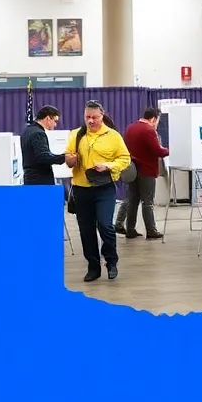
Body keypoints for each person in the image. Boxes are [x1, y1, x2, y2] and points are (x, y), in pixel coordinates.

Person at [64, 100, 131, 283]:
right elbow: (68, 159)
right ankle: (93, 266)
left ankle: (111, 261)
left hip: (104, 188)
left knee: (105, 225)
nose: (91, 121)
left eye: (94, 117)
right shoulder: (76, 135)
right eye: (87, 117)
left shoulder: (113, 136)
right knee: (86, 229)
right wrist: (70, 159)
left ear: (102, 116)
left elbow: (125, 159)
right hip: (80, 188)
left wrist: (108, 165)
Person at [115, 107, 169, 239]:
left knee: (133, 200)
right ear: (153, 119)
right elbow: (158, 151)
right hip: (147, 170)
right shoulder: (148, 130)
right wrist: (170, 150)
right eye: (157, 121)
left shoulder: (130, 128)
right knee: (147, 201)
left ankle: (130, 229)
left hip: (133, 170)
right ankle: (151, 230)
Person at [20, 106, 67, 186]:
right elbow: (43, 157)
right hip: (40, 181)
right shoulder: (38, 133)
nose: (55, 125)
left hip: (29, 179)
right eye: (55, 121)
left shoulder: (26, 131)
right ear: (48, 118)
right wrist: (64, 157)